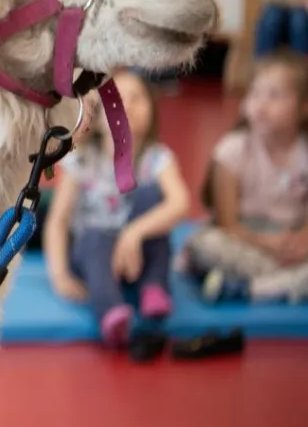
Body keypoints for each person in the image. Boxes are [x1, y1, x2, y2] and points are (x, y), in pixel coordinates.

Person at [43, 70, 191, 346]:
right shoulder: (83, 161)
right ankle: (110, 312)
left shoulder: (156, 158)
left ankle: (153, 287)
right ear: (98, 119)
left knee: (151, 197)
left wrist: (133, 233)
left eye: (137, 98)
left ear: (152, 110)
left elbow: (180, 203)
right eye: (117, 100)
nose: (128, 107)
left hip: (137, 255)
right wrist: (60, 275)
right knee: (94, 237)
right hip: (94, 256)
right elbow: (58, 222)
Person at [182, 51, 308, 303]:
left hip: (291, 243)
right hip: (245, 239)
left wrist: (303, 240)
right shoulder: (232, 151)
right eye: (255, 93)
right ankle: (285, 284)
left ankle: (249, 288)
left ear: (303, 108)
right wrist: (266, 243)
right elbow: (228, 225)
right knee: (203, 244)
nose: (260, 104)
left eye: (275, 96)